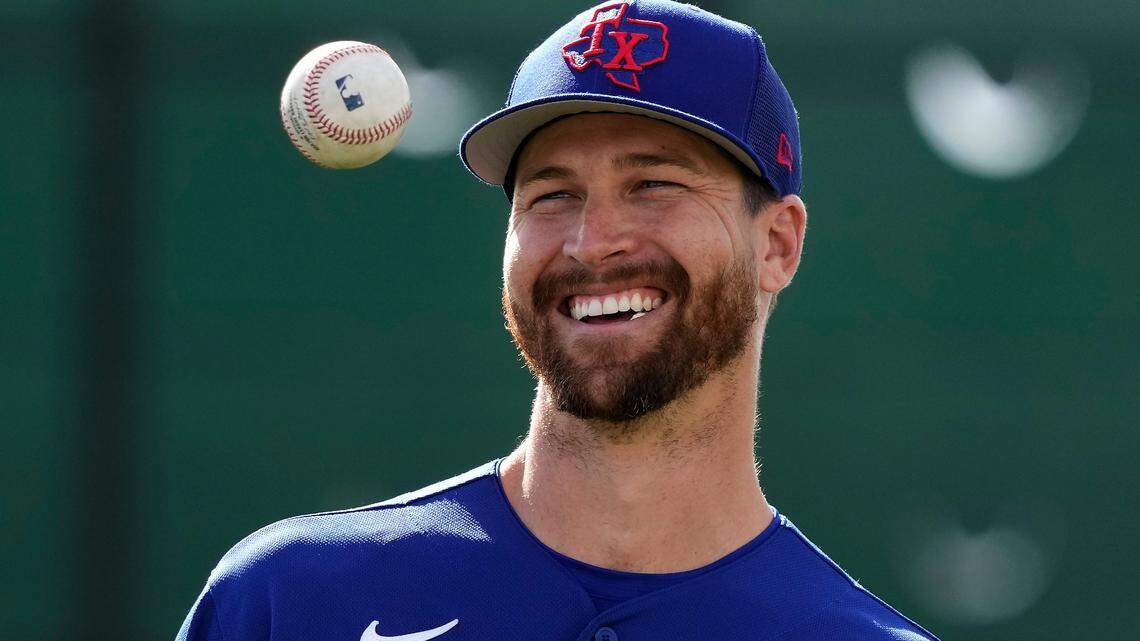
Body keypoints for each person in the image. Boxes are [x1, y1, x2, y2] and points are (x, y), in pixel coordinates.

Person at [177, 1, 940, 639]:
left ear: (777, 244)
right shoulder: (294, 600)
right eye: (552, 194)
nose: (591, 240)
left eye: (654, 183)